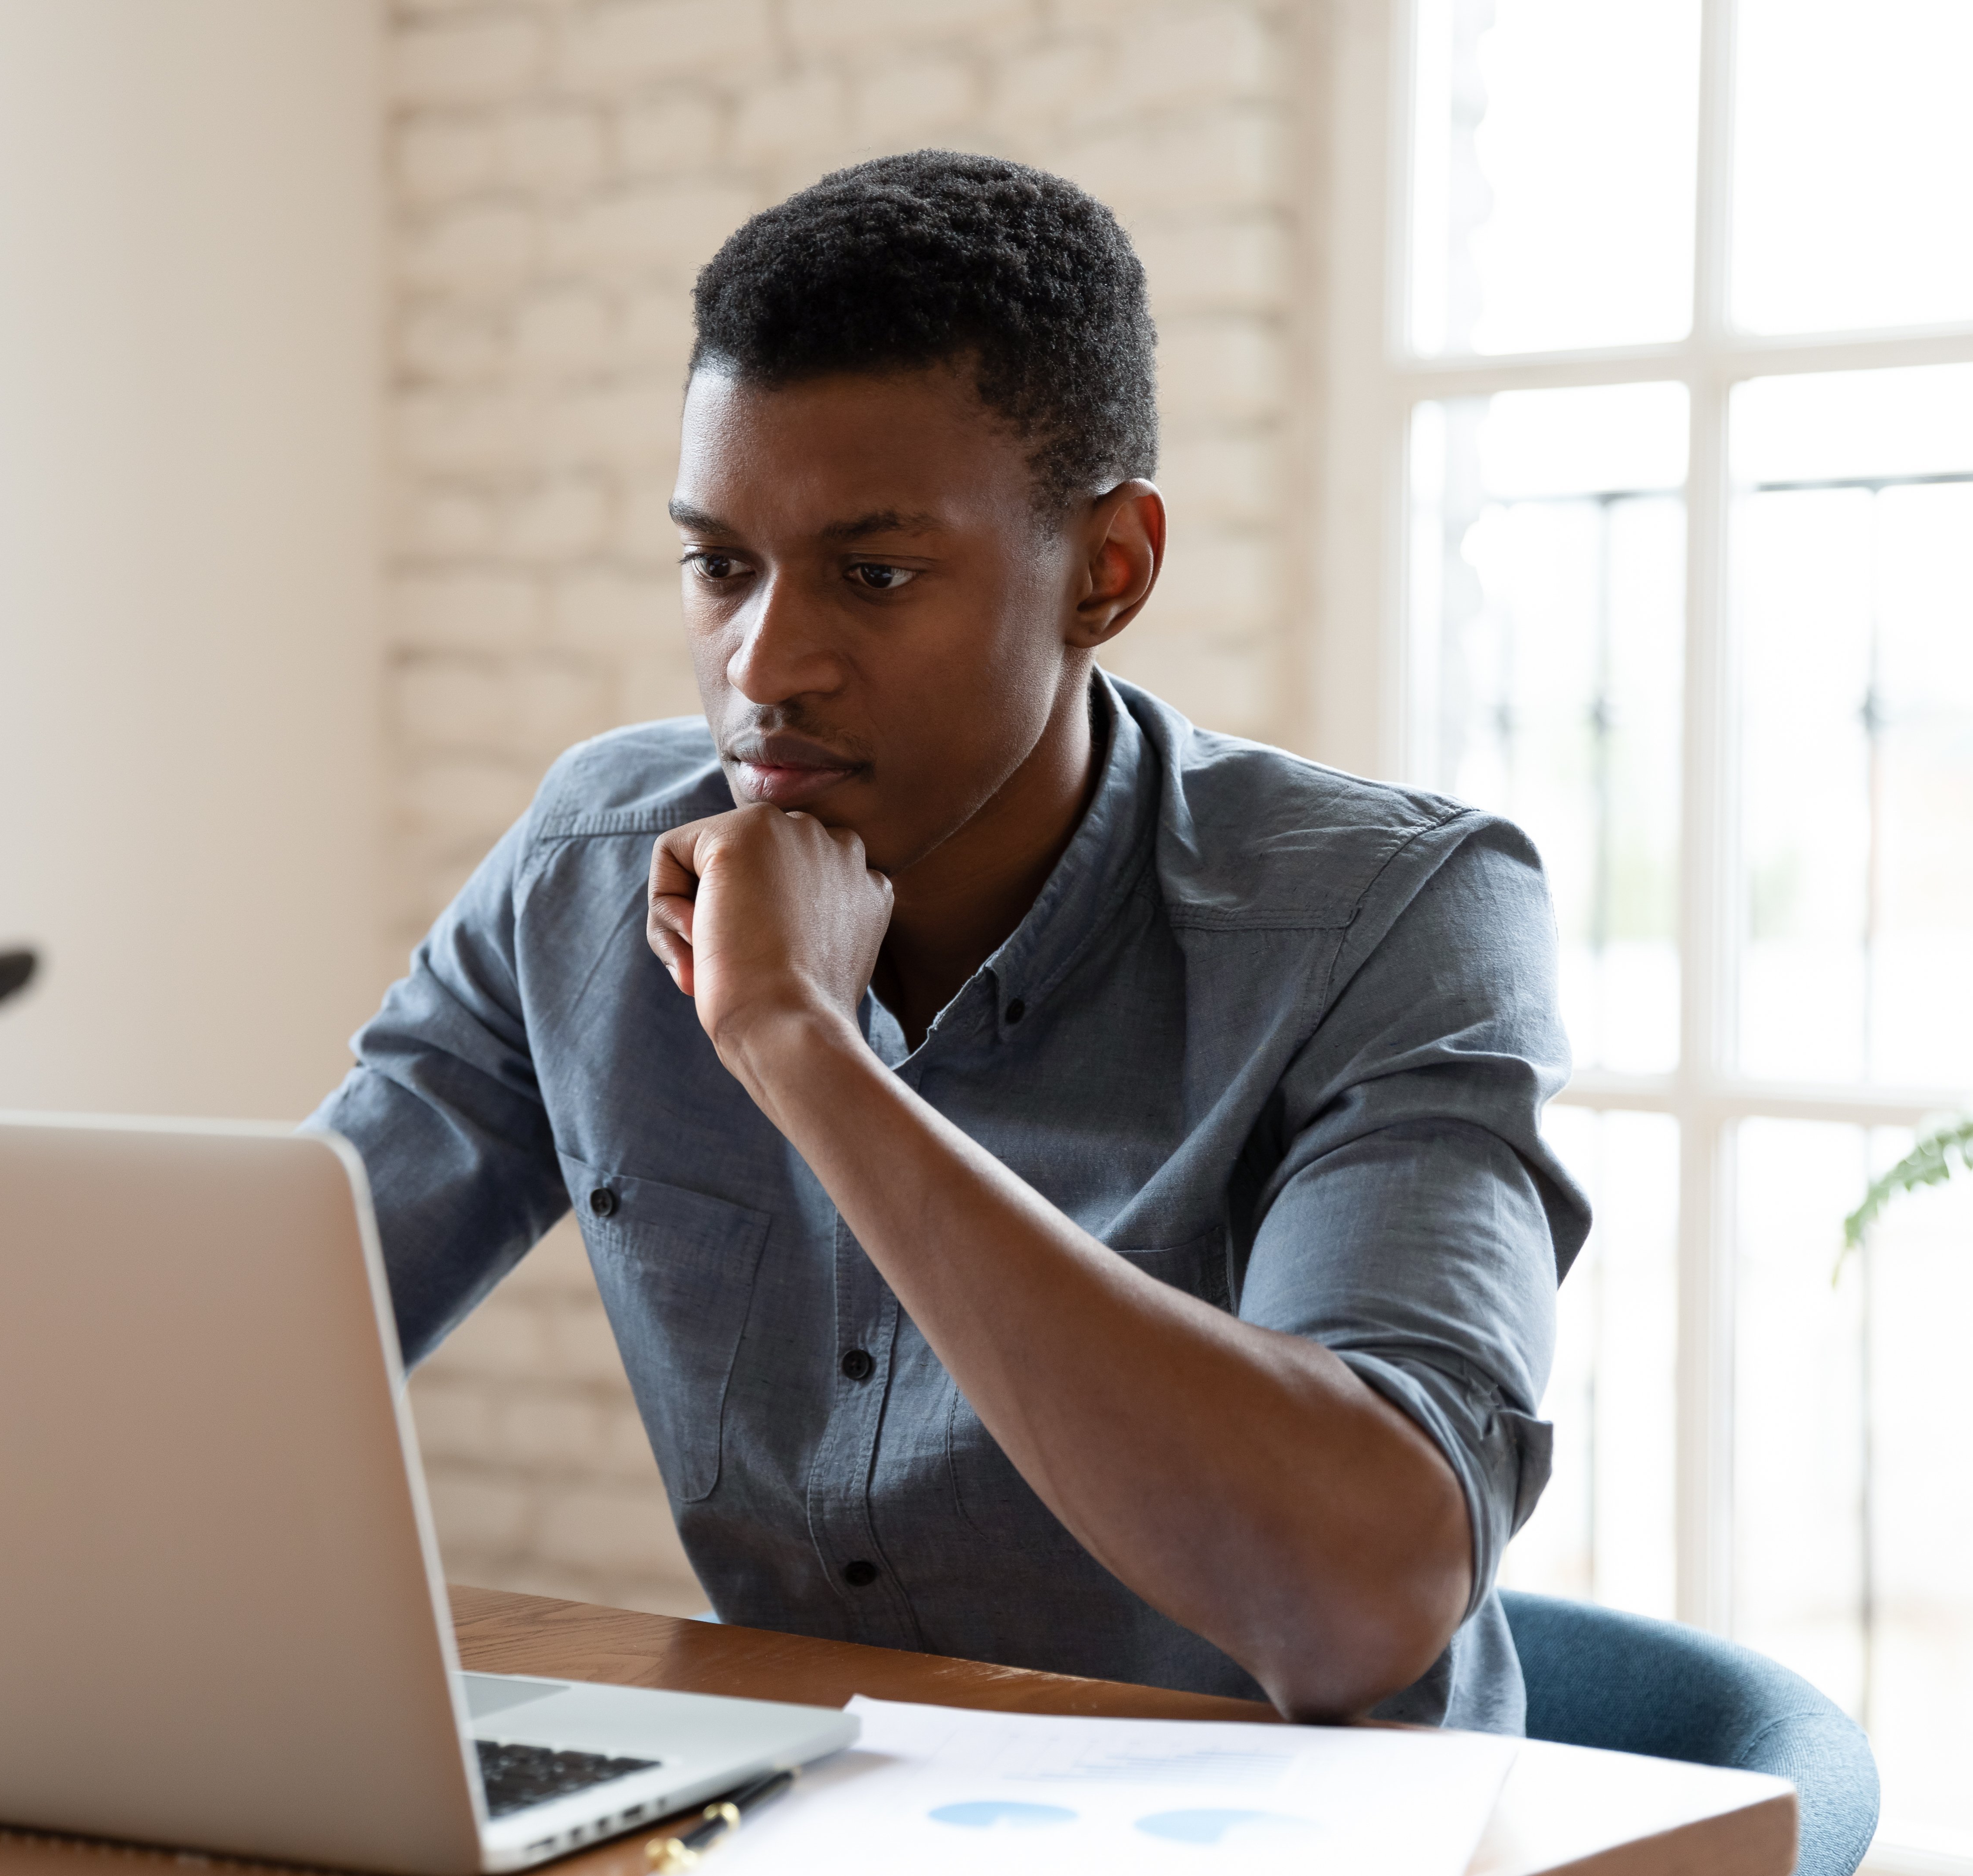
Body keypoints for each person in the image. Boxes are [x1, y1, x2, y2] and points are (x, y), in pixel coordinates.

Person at [309, 150, 1585, 1731]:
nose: (761, 666)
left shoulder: (1395, 916)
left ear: (1105, 571)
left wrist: (807, 1054)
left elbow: (1354, 1598)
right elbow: (255, 1335)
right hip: (822, 1817)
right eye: (719, 564)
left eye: (875, 573)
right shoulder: (586, 866)